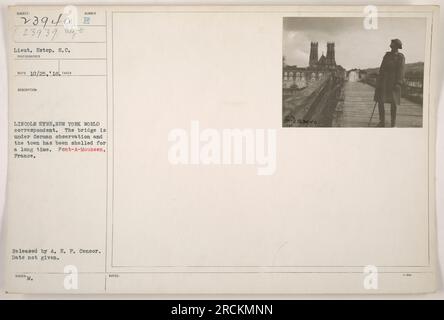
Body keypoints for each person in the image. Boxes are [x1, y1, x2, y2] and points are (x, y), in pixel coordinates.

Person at [373, 39, 405, 127]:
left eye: (392, 43)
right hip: (384, 82)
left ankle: (393, 123)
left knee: (393, 103)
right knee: (380, 101)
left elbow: (401, 71)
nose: (390, 44)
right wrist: (379, 80)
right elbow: (381, 68)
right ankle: (382, 121)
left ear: (396, 46)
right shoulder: (386, 55)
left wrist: (398, 82)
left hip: (394, 83)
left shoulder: (400, 57)